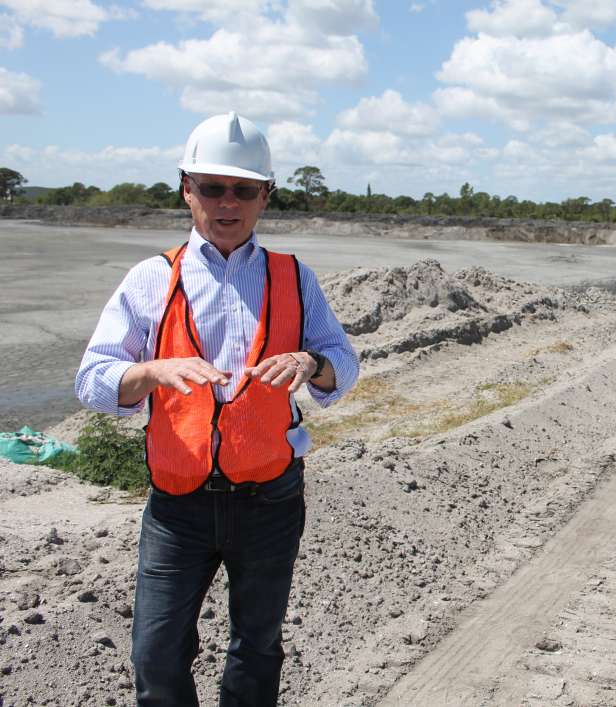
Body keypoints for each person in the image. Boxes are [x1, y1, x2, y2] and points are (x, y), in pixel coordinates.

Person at [75, 112, 359, 706]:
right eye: (211, 186)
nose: (227, 202)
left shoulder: (294, 277)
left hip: (270, 501)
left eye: (243, 189)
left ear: (265, 196)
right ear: (186, 189)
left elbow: (343, 362)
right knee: (155, 653)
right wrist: (151, 372)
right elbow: (92, 380)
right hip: (178, 506)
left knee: (257, 647)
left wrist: (311, 363)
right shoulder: (151, 279)